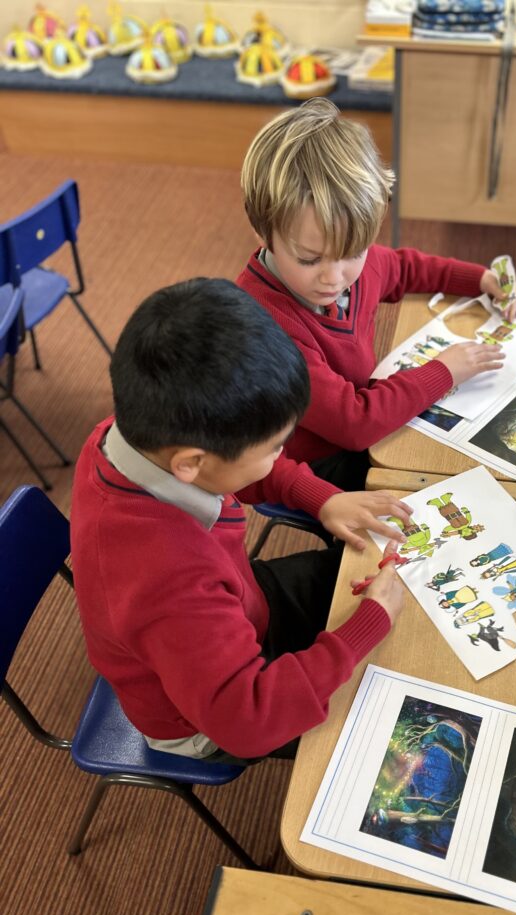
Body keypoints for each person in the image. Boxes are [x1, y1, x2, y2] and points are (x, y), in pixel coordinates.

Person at [70, 278, 411, 763]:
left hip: (238, 604)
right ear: (191, 463)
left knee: (364, 582)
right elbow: (247, 721)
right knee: (397, 738)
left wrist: (315, 496)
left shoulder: (131, 434)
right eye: (275, 448)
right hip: (211, 722)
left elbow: (229, 472)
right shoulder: (167, 581)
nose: (282, 457)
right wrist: (365, 628)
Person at [236, 97, 516, 491]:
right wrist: (445, 370)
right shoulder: (265, 327)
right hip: (312, 461)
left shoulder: (352, 264)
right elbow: (353, 424)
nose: (334, 277)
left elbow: (403, 268)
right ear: (262, 235)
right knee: (431, 481)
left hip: (361, 416)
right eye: (309, 259)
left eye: (352, 252)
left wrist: (478, 279)